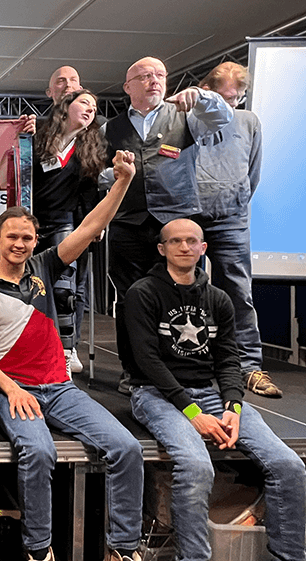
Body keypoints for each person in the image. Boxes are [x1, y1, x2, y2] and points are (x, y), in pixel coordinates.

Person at [0, 152, 155, 561]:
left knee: (127, 448)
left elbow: (93, 223)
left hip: (60, 388)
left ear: (36, 242)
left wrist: (121, 182)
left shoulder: (45, 267)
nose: (20, 243)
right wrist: (9, 388)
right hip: (14, 390)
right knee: (38, 451)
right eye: (12, 235)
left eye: (28, 237)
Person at [123, 218, 306, 561]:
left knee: (289, 466)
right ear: (162, 248)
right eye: (176, 241)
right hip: (157, 394)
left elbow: (229, 360)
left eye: (191, 241)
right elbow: (146, 361)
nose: (185, 247)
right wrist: (191, 411)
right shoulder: (142, 294)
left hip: (212, 395)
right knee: (195, 464)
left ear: (203, 247)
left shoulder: (218, 299)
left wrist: (233, 408)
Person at [103, 56, 232, 394]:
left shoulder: (188, 114)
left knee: (186, 296)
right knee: (130, 300)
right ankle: (134, 373)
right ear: (128, 87)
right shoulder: (111, 128)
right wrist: (113, 175)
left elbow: (223, 117)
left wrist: (202, 96)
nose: (154, 80)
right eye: (144, 76)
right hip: (127, 224)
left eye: (159, 74)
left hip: (177, 223)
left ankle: (187, 373)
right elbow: (97, 174)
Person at [194, 62, 279, 397]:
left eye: (236, 98)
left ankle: (249, 367)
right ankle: (192, 363)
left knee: (238, 292)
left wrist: (237, 199)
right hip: (191, 215)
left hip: (232, 216)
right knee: (187, 290)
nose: (230, 105)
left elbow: (253, 173)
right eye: (223, 97)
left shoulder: (249, 122)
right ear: (208, 90)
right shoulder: (190, 119)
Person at [32, 89, 108, 374]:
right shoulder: (39, 136)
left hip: (66, 223)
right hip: (34, 222)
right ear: (66, 106)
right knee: (34, 287)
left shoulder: (91, 146)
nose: (91, 109)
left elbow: (93, 190)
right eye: (85, 103)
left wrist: (94, 223)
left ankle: (65, 350)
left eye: (95, 106)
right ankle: (36, 347)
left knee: (64, 290)